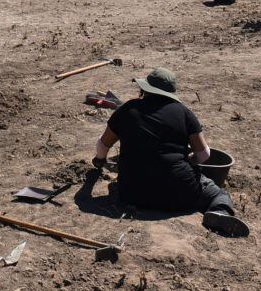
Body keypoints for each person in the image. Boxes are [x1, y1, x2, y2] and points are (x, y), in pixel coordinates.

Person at [92, 67, 250, 238]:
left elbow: (102, 145)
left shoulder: (128, 109)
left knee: (115, 184)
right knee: (218, 194)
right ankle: (221, 213)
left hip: (131, 193)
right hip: (179, 195)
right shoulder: (183, 112)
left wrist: (100, 161)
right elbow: (204, 155)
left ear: (144, 89)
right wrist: (189, 161)